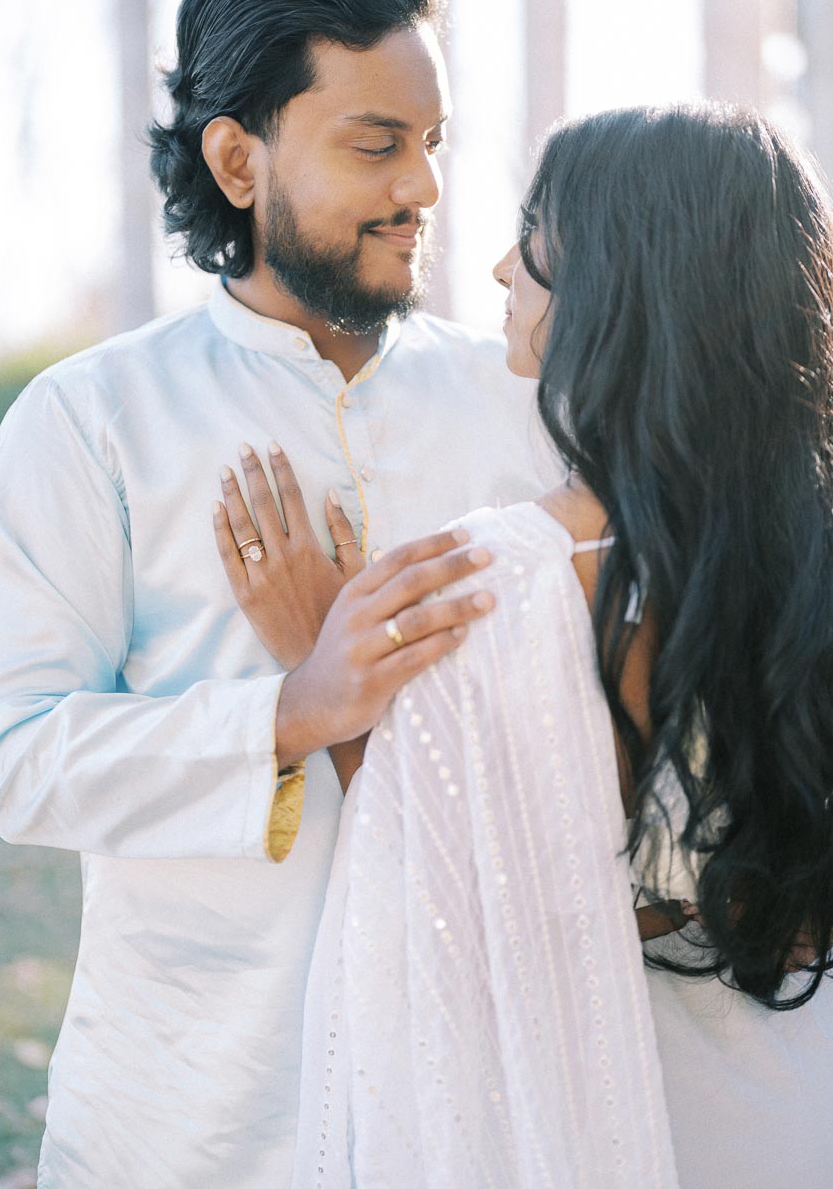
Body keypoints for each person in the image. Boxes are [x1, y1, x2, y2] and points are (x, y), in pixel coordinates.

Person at [0, 0, 566, 1187]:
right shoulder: (91, 419)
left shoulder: (517, 401)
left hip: (469, 1105)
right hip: (194, 1111)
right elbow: (13, 757)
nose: (428, 189)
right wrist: (291, 713)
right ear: (239, 160)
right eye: (376, 143)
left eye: (434, 142)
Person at [216, 102, 833, 1187]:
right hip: (797, 1099)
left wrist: (323, 662)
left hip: (618, 1114)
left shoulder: (498, 578)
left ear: (620, 285)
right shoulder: (807, 551)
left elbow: (450, 894)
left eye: (537, 239)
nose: (502, 266)